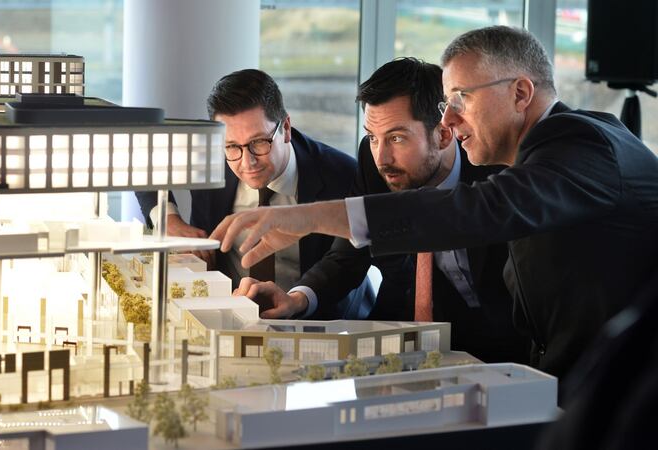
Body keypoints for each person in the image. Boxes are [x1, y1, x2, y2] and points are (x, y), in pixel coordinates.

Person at [212, 26, 658, 382]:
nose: (448, 119)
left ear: (521, 93)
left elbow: (475, 211)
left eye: (461, 99)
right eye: (446, 103)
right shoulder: (542, 153)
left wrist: (308, 216)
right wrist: (299, 297)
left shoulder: (581, 141)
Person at [234, 57, 528, 363]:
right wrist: (297, 298)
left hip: (504, 346)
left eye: (397, 138)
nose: (381, 157)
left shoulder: (495, 170)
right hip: (408, 339)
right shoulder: (376, 163)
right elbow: (349, 253)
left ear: (443, 134)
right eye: (373, 137)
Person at [136, 69, 368, 298]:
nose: (248, 162)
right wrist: (168, 219)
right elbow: (139, 160)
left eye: (259, 142)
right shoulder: (207, 153)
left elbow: (346, 262)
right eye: (232, 146)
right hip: (225, 309)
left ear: (285, 128)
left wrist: (300, 299)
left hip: (315, 316)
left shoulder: (343, 174)